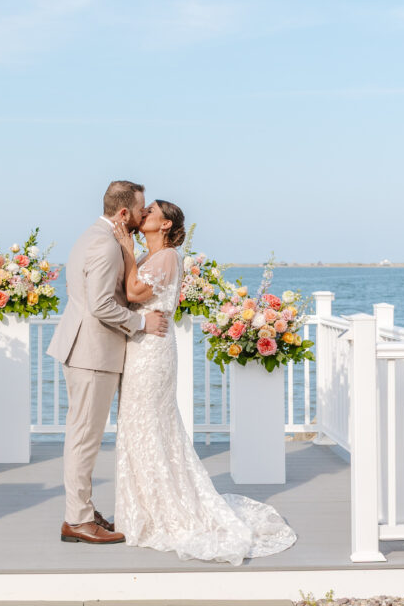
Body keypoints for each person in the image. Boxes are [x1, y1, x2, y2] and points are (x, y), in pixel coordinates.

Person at [112, 200, 297, 565]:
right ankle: (144, 506)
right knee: (140, 427)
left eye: (150, 211)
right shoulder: (152, 258)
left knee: (148, 425)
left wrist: (125, 249)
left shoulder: (166, 257)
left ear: (165, 225)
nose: (143, 214)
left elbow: (134, 294)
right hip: (141, 347)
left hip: (152, 352)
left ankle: (162, 509)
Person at [48, 180, 168, 544]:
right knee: (84, 439)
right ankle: (78, 520)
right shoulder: (105, 245)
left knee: (82, 437)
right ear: (123, 213)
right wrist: (141, 322)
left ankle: (82, 509)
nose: (143, 213)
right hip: (92, 352)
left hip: (87, 349)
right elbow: (101, 304)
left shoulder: (93, 236)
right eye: (140, 208)